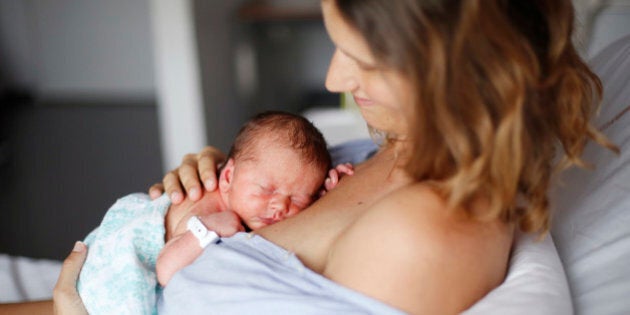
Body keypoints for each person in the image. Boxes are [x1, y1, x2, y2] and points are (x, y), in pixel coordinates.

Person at [11, 0, 615, 314]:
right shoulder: (390, 149)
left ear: (460, 66)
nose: (332, 80)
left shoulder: (423, 235)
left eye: (365, 59)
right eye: (336, 44)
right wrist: (225, 187)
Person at [76, 111, 352, 314]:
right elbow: (166, 268)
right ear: (228, 176)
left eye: (298, 198)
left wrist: (326, 190)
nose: (280, 206)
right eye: (267, 190)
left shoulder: (250, 192)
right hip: (123, 258)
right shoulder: (210, 207)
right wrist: (205, 231)